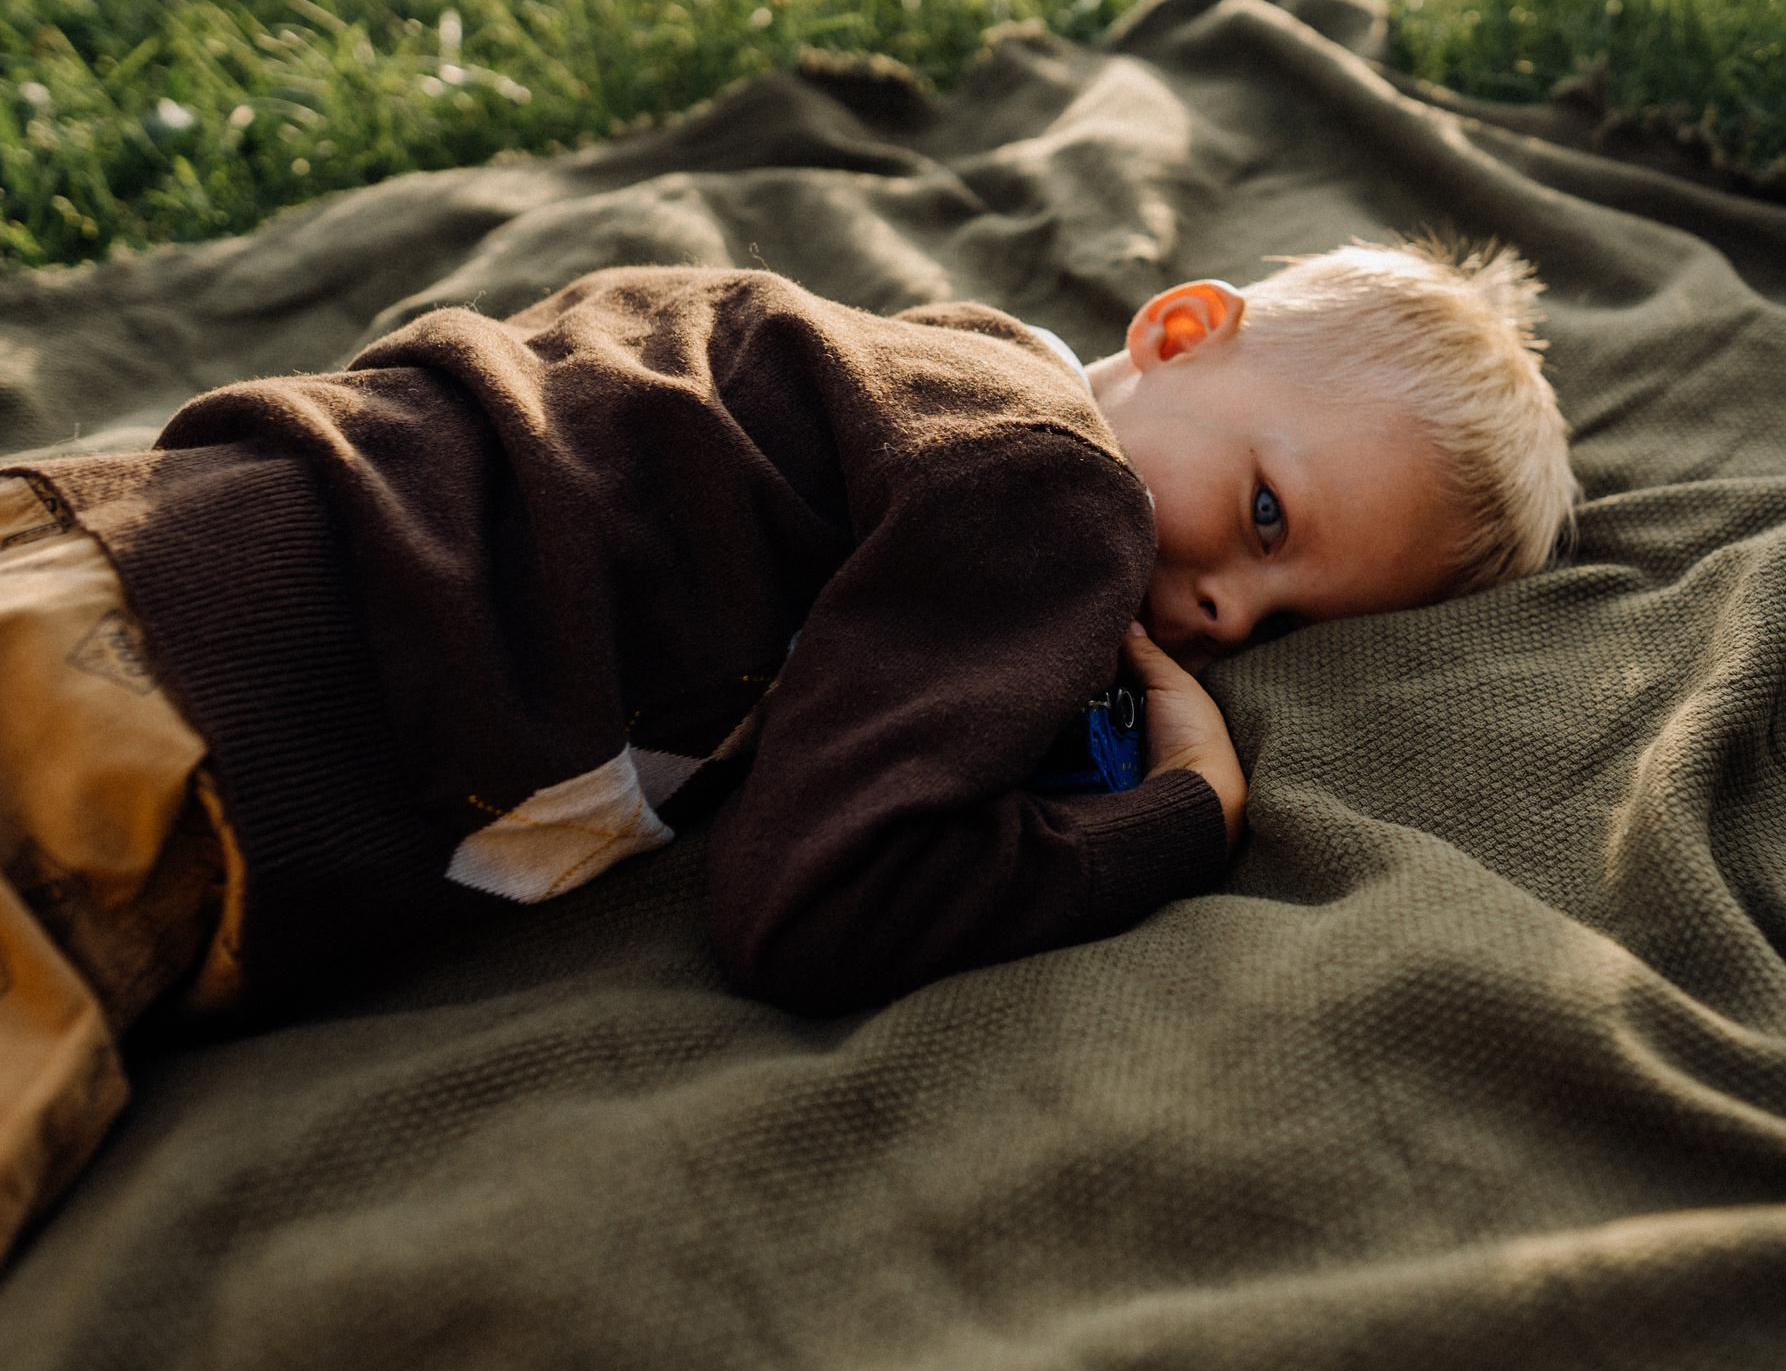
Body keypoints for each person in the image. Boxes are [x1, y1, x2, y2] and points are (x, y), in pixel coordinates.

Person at [0, 237, 1576, 1251]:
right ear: (1177, 329)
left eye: (1281, 620)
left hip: (111, 533)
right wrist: (1180, 808)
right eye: (1267, 513)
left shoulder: (855, 361)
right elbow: (817, 899)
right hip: (172, 744)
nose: (1225, 606)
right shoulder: (1052, 493)